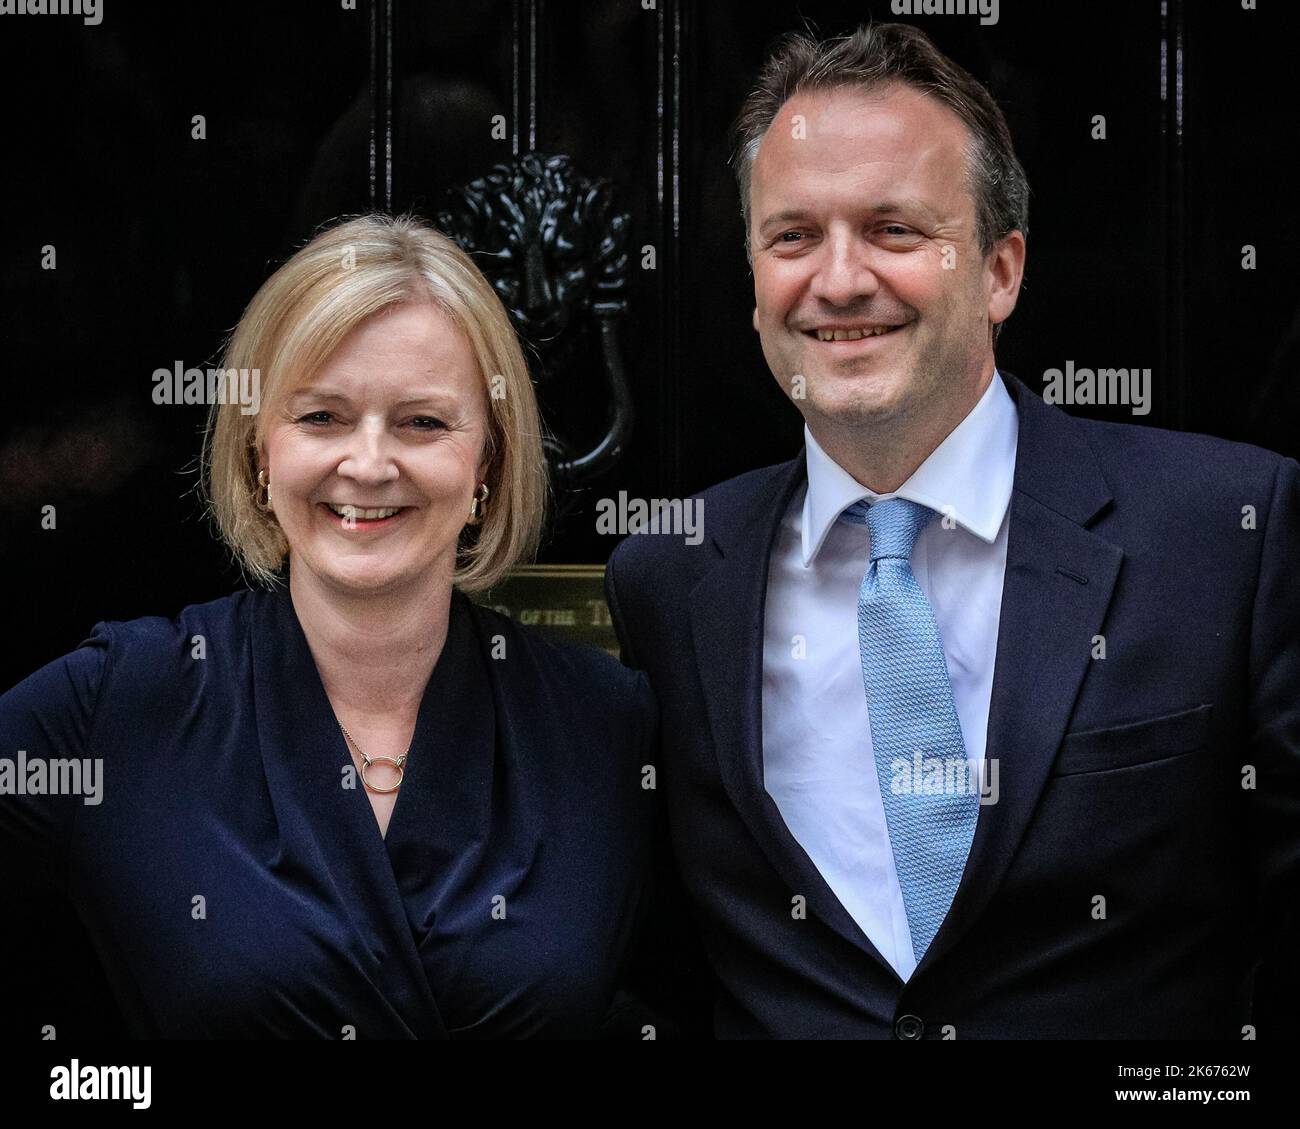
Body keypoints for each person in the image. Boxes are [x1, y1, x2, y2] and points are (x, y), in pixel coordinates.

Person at [604, 22, 1300, 1038]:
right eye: (792, 236)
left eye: (892, 229)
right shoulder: (666, 578)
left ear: (999, 270)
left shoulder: (1224, 536)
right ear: (752, 281)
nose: (838, 281)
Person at [0, 213, 659, 1039]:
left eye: (423, 421)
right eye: (322, 418)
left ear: (485, 463)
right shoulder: (118, 704)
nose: (371, 462)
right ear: (259, 451)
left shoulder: (607, 724)